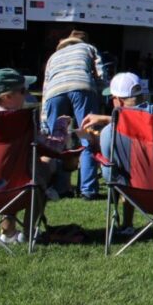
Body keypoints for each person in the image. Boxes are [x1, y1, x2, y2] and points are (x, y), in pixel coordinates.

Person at [80, 73, 153, 238]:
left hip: (136, 195)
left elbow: (108, 173)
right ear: (143, 95)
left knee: (118, 171)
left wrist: (96, 144)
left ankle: (127, 224)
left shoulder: (109, 132)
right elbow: (150, 114)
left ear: (118, 101)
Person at [0, 68, 69, 242]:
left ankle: (9, 232)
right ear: (7, 97)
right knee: (44, 166)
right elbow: (54, 147)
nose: (26, 95)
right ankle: (27, 233)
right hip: (15, 193)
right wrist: (61, 125)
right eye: (23, 91)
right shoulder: (21, 121)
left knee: (14, 169)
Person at [42, 30, 104, 199]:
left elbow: (46, 87)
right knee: (88, 138)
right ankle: (88, 190)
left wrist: (43, 119)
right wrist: (99, 94)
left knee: (57, 141)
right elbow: (100, 73)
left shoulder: (54, 56)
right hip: (82, 86)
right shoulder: (88, 48)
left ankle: (61, 188)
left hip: (54, 92)